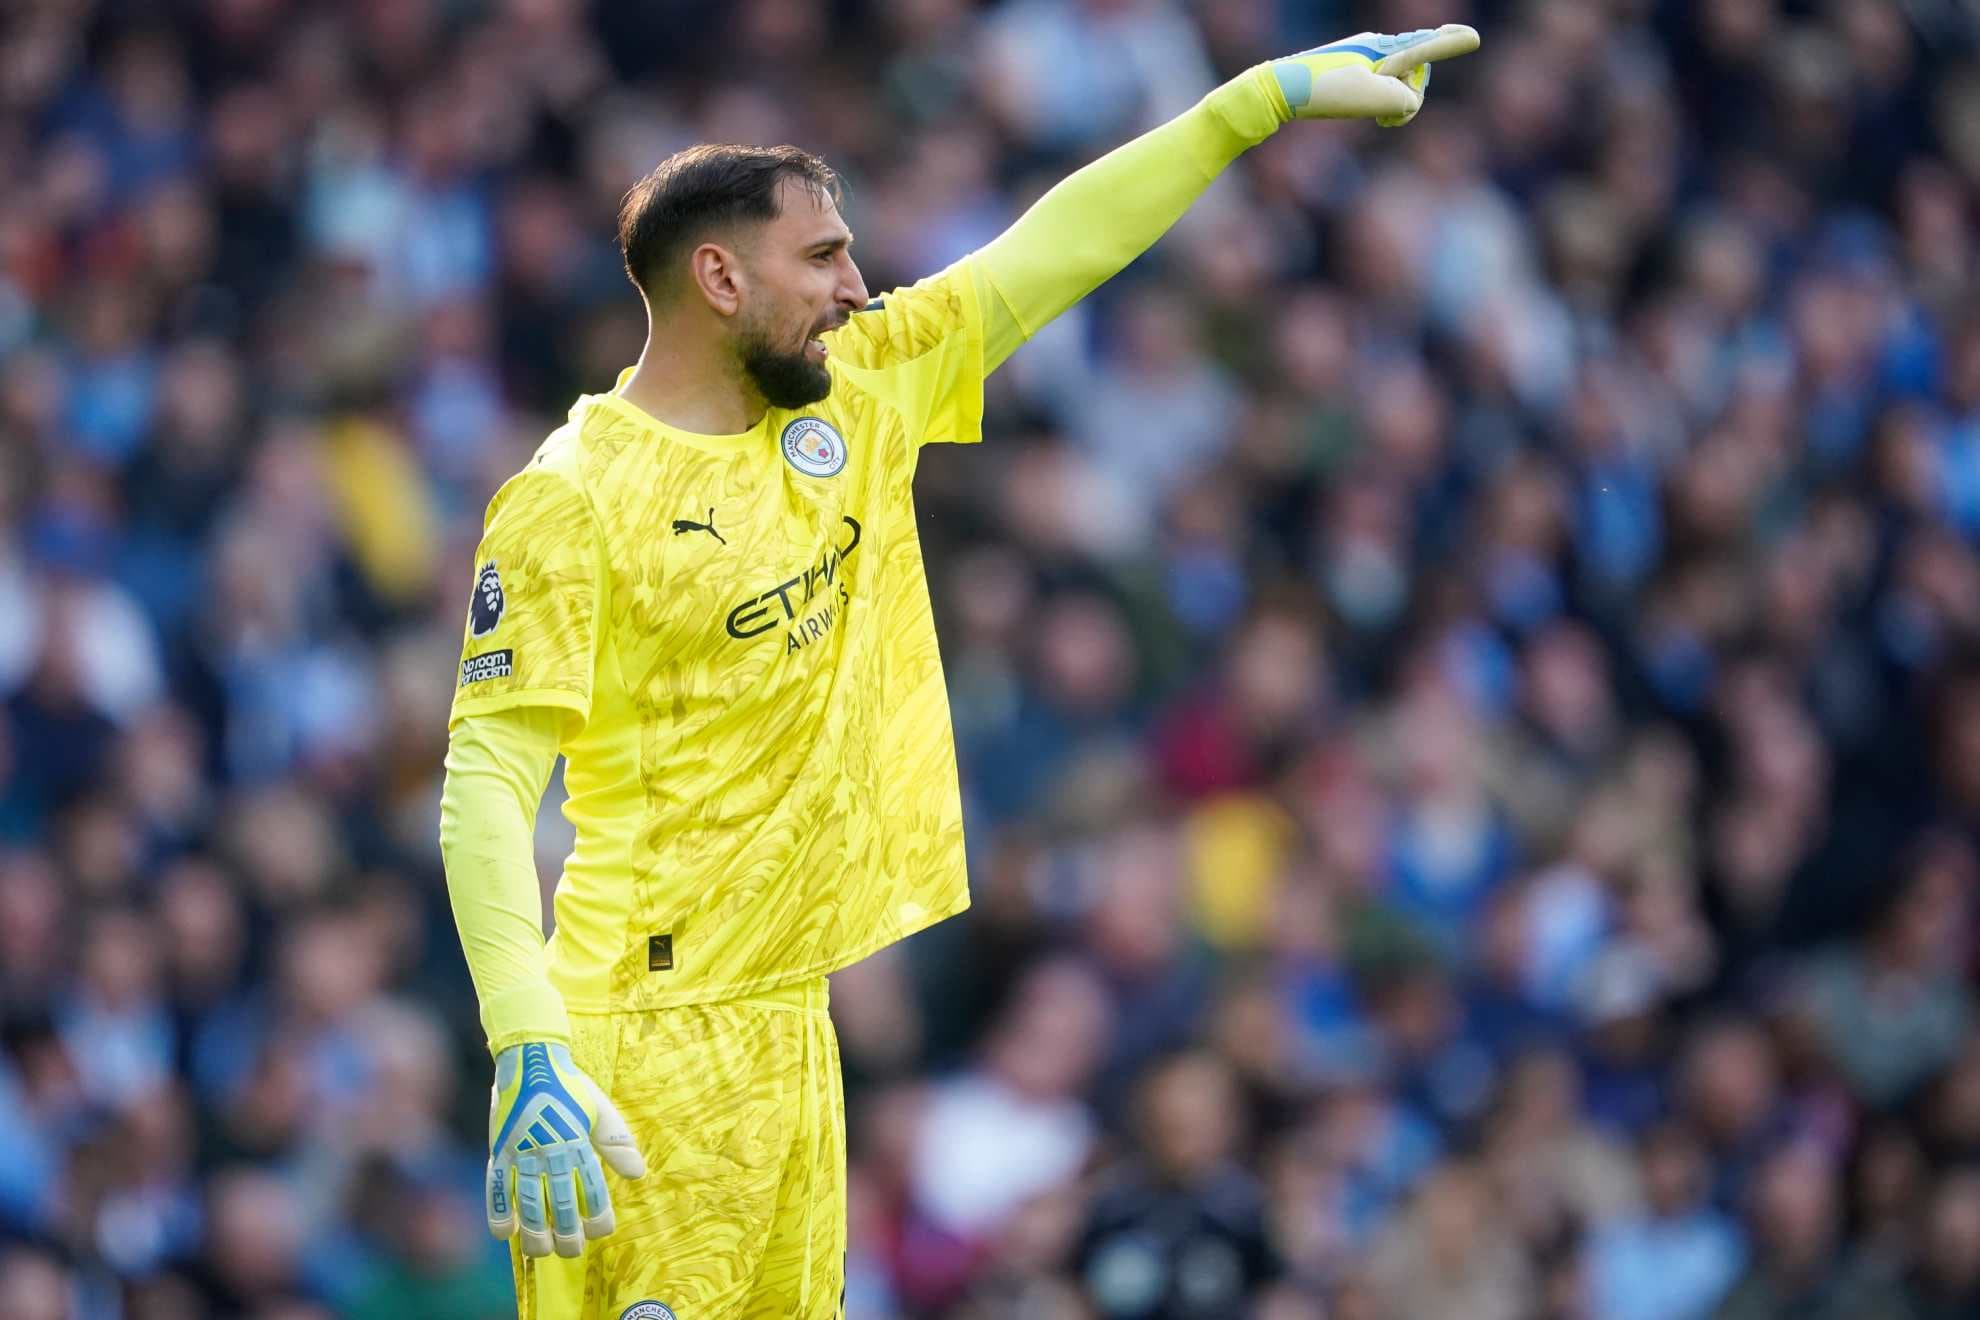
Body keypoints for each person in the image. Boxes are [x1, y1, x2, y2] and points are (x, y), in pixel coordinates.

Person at [436, 24, 1481, 1319]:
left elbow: (1049, 255)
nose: (858, 285)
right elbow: (484, 783)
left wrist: (1246, 109)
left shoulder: (856, 390)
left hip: (788, 1022)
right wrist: (527, 1042)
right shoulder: (573, 501)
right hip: (642, 1038)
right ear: (717, 276)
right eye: (822, 257)